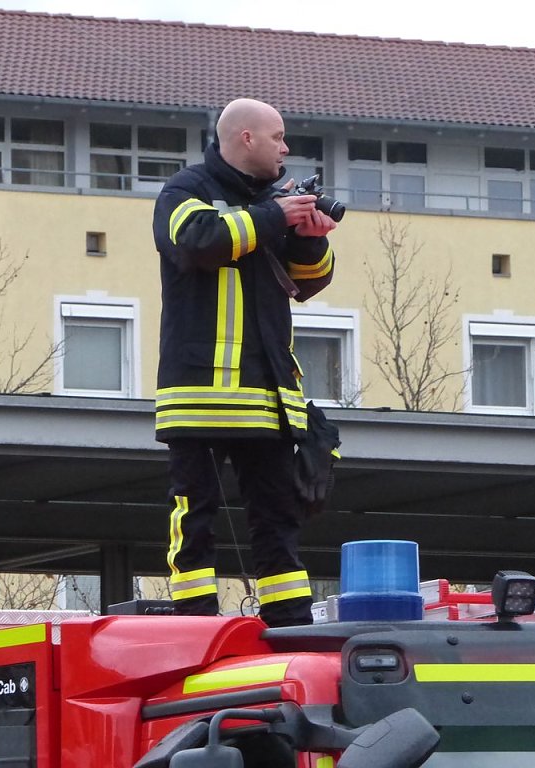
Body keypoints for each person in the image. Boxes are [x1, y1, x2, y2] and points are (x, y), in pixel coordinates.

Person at [152, 97, 338, 627]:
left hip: (266, 395)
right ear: (246, 138)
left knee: (278, 517)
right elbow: (196, 242)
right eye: (278, 137)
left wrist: (308, 241)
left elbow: (307, 283)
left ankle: (290, 624)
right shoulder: (185, 191)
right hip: (200, 395)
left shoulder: (270, 204)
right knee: (194, 515)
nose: (286, 148)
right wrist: (275, 215)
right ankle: (195, 622)